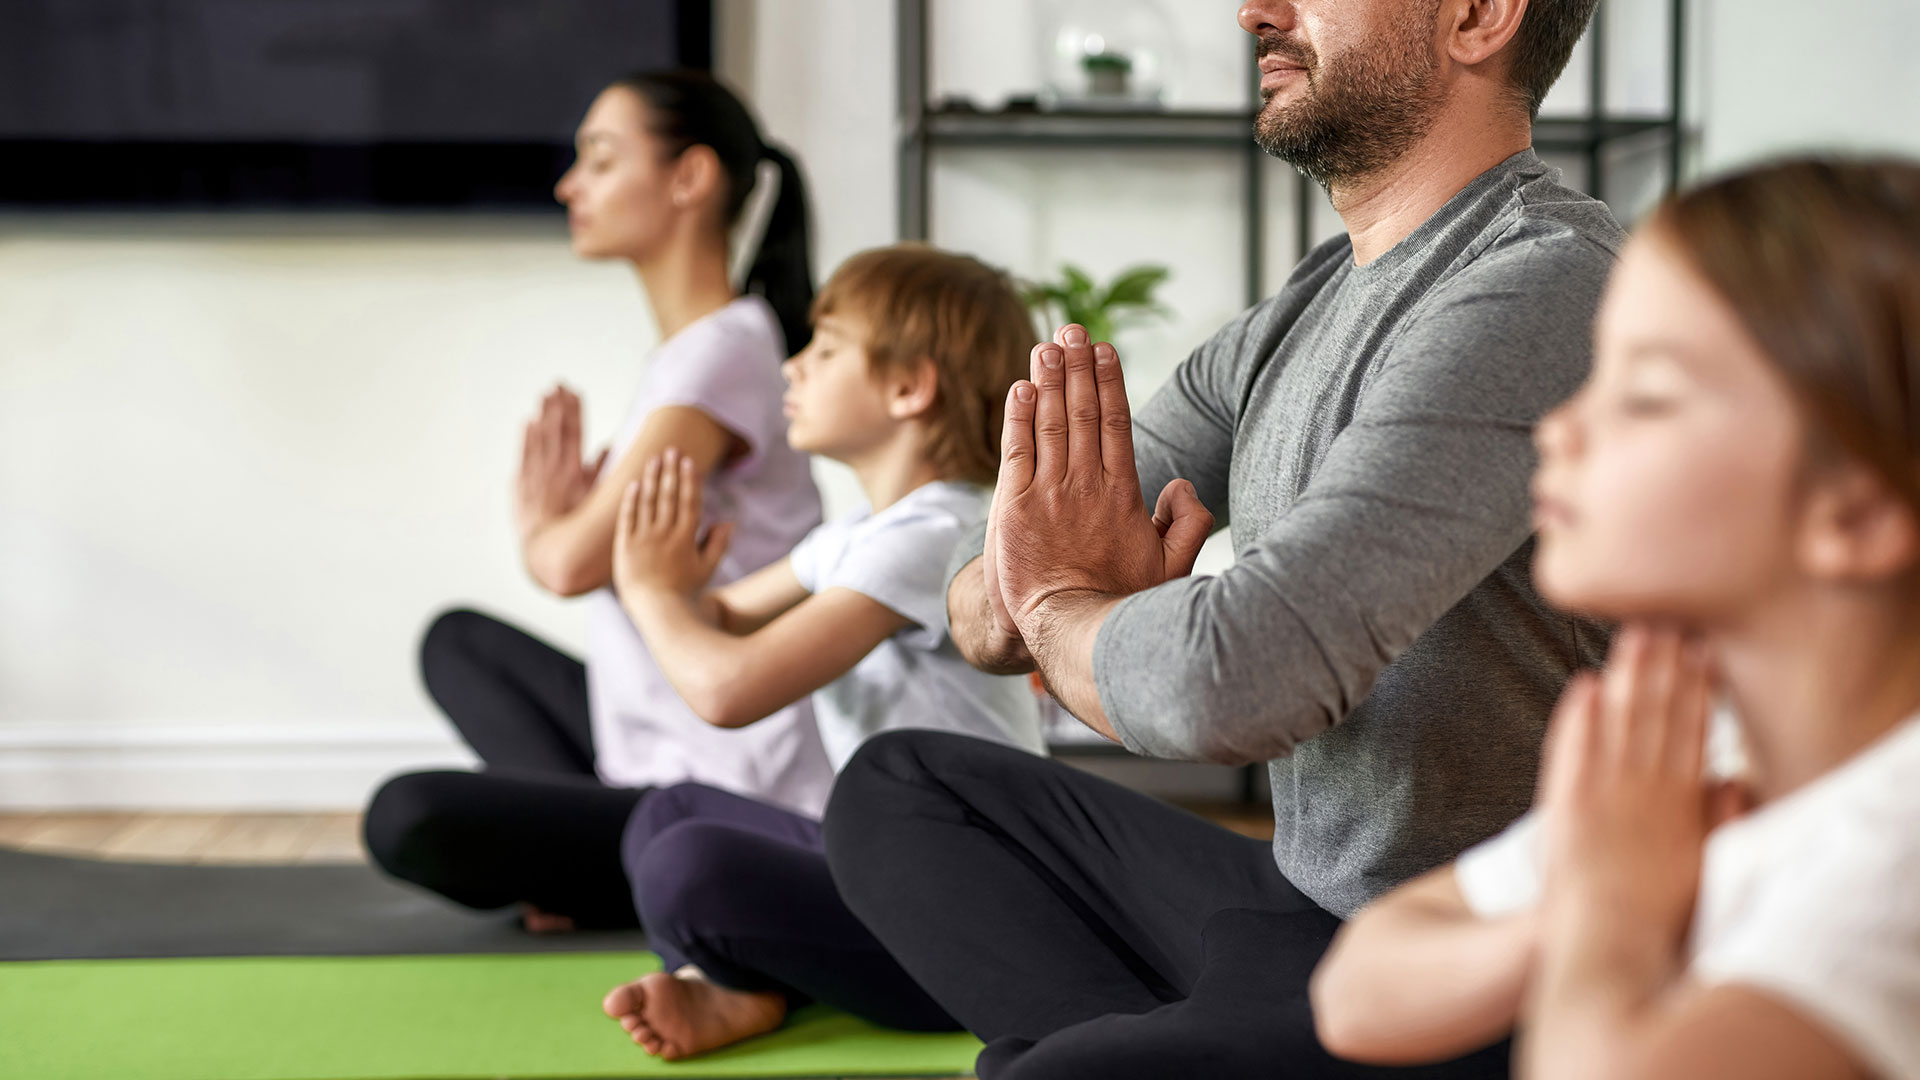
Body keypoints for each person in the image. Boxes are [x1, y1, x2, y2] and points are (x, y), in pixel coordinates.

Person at [823, 1, 1622, 1077]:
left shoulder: (1547, 288)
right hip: (1299, 909)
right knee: (902, 791)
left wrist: (1068, 611)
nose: (1256, 9)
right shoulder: (1297, 311)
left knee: (1065, 1069)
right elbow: (978, 598)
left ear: (1477, 15)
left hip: (1493, 973)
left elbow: (1239, 681)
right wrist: (1060, 606)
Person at [1310, 158, 1920, 1080]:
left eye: (1646, 396)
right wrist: (1576, 912)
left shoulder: (1887, 877)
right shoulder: (1706, 752)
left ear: (1856, 515)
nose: (1558, 430)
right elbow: (1357, 992)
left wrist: (1610, 918)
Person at [363, 70, 831, 931]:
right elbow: (597, 552)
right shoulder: (696, 352)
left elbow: (571, 561)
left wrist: (546, 522)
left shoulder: (723, 349)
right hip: (648, 742)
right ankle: (594, 865)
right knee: (460, 644)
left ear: (689, 178)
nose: (569, 186)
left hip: (725, 786)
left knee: (407, 816)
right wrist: (575, 525)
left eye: (601, 161)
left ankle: (608, 871)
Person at [593, 245, 1047, 1060]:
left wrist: (652, 593)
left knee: (688, 867)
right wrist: (673, 581)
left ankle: (736, 982)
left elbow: (728, 689)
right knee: (665, 814)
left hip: (961, 922)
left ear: (910, 388)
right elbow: (723, 617)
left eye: (825, 349)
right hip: (878, 865)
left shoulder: (938, 533)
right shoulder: (858, 536)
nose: (792, 369)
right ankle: (738, 987)